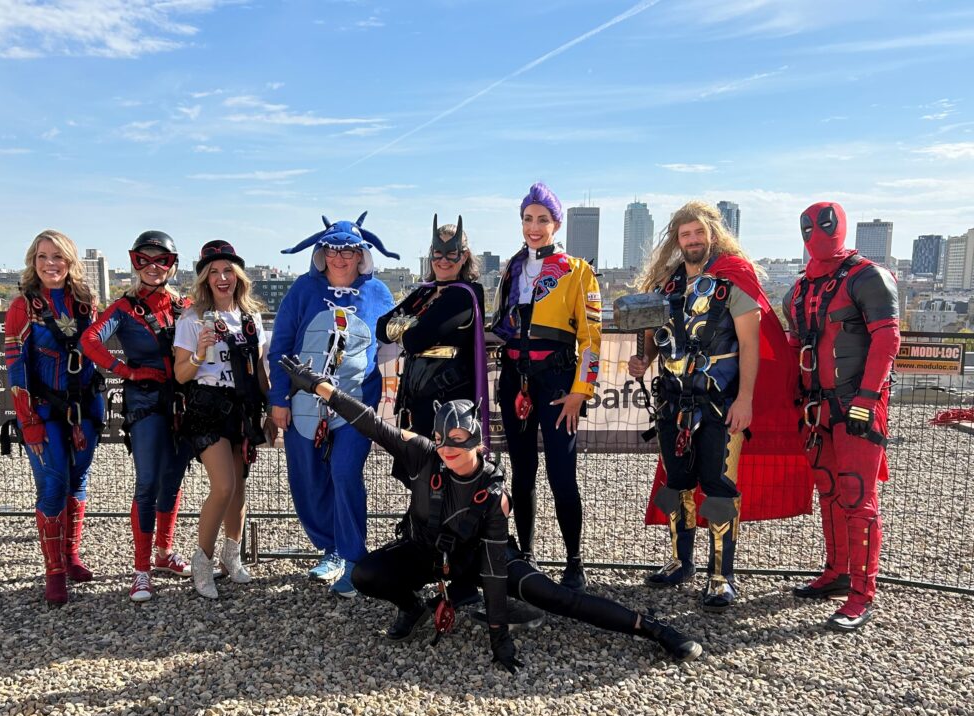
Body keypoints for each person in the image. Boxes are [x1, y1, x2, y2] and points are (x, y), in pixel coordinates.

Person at [278, 355, 703, 666]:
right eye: (442, 440)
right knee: (367, 573)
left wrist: (500, 639)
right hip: (429, 551)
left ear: (479, 442)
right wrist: (318, 385)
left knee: (555, 597)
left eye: (459, 440)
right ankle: (413, 608)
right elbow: (369, 421)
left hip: (485, 559)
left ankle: (654, 629)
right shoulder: (425, 454)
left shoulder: (492, 491)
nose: (448, 449)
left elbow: (496, 572)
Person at [628, 201, 810, 612]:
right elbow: (658, 335)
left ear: (711, 234)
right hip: (673, 399)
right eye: (684, 234)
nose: (691, 241)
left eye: (698, 233)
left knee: (718, 487)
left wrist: (745, 400)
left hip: (720, 402)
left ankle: (721, 576)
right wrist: (645, 360)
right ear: (677, 239)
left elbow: (750, 344)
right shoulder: (668, 284)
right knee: (676, 485)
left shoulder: (733, 279)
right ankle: (680, 562)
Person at [268, 213, 396, 598]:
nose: (341, 257)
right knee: (307, 477)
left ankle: (355, 557)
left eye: (350, 250)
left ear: (362, 255)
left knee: (344, 472)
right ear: (321, 254)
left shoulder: (380, 294)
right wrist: (278, 399)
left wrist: (391, 399)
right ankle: (331, 548)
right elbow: (281, 346)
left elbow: (393, 344)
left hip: (357, 403)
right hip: (305, 402)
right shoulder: (301, 292)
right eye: (333, 249)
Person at [786, 202, 900, 631]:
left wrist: (867, 399)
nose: (816, 231)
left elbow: (887, 339)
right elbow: (795, 348)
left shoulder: (868, 277)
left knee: (857, 496)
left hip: (857, 402)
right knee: (831, 492)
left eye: (824, 224)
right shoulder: (797, 289)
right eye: (809, 226)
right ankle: (837, 573)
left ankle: (862, 592)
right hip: (816, 406)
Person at [489, 182, 602, 593]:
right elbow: (500, 325)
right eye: (527, 219)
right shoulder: (512, 267)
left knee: (561, 472)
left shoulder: (578, 270)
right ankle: (528, 556)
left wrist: (580, 391)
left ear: (556, 224)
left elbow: (592, 338)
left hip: (557, 383)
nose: (534, 227)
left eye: (542, 220)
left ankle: (574, 561)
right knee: (522, 472)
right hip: (514, 380)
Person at [81, 230, 194, 602]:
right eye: (144, 260)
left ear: (172, 265)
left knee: (172, 479)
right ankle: (141, 569)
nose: (152, 267)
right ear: (134, 262)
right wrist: (126, 371)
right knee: (147, 482)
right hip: (145, 402)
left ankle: (163, 553)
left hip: (180, 401)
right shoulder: (125, 308)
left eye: (160, 260)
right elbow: (90, 340)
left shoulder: (184, 306)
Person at [5, 230, 105, 605]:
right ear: (34, 261)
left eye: (58, 257)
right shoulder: (23, 307)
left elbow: (95, 353)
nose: (51, 264)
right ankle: (54, 571)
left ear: (70, 261)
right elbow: (16, 369)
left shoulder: (85, 301)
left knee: (78, 480)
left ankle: (71, 555)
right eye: (43, 256)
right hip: (43, 411)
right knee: (52, 484)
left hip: (85, 409)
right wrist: (28, 421)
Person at [174, 241, 275, 599]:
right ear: (204, 278)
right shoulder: (190, 319)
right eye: (214, 271)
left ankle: (231, 558)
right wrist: (201, 351)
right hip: (207, 406)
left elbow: (261, 373)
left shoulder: (251, 319)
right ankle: (201, 564)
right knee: (224, 487)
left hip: (243, 407)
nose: (221, 277)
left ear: (238, 276)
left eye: (228, 270)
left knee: (239, 488)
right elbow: (181, 374)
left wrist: (271, 411)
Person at [377, 215, 489, 480]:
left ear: (464, 257)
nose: (443, 261)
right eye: (438, 253)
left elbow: (417, 339)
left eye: (452, 255)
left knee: (443, 470)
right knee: (417, 468)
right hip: (416, 396)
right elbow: (382, 327)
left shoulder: (465, 294)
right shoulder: (425, 293)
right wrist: (412, 329)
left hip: (449, 397)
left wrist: (405, 327)